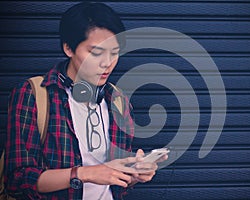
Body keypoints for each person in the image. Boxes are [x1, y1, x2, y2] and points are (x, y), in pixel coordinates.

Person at [4, 2, 167, 200]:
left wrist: (134, 174)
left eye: (114, 52)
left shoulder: (118, 101)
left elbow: (115, 181)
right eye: (96, 52)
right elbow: (17, 180)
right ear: (68, 48)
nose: (107, 63)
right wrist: (85, 173)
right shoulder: (32, 94)